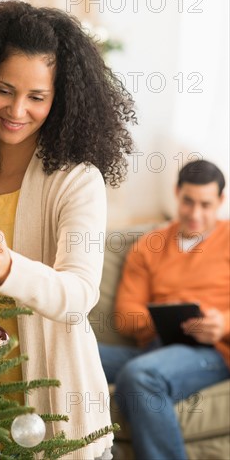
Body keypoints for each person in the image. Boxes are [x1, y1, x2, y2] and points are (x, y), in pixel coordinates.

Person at [0, 0, 136, 459]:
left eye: (37, 97)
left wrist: (7, 268)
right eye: (4, 89)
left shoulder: (77, 180)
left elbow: (79, 294)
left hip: (53, 412)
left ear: (61, 100)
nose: (17, 109)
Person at [98, 159, 230, 460]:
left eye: (206, 205)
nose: (195, 214)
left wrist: (222, 323)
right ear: (176, 193)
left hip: (210, 352)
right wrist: (165, 316)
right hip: (156, 347)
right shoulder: (149, 246)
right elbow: (125, 316)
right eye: (188, 202)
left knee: (141, 375)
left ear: (221, 202)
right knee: (73, 347)